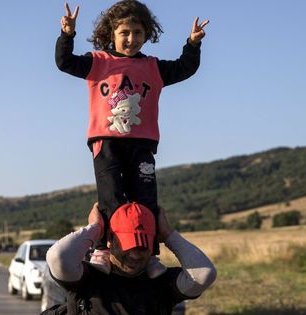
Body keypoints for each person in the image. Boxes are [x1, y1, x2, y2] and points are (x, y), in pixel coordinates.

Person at [55, 0, 209, 276]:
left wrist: (193, 43)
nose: (131, 38)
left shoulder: (153, 67)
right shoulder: (98, 62)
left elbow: (185, 68)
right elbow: (65, 62)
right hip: (107, 142)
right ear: (112, 33)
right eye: (124, 32)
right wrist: (67, 35)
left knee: (145, 198)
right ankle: (102, 250)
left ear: (147, 34)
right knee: (111, 197)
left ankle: (149, 255)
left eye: (138, 32)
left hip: (142, 143)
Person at [44, 202, 217, 314]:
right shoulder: (89, 279)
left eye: (142, 247)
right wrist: (96, 229)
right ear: (110, 240)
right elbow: (58, 257)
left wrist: (168, 235)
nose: (135, 254)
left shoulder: (160, 283)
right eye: (128, 246)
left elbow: (203, 275)